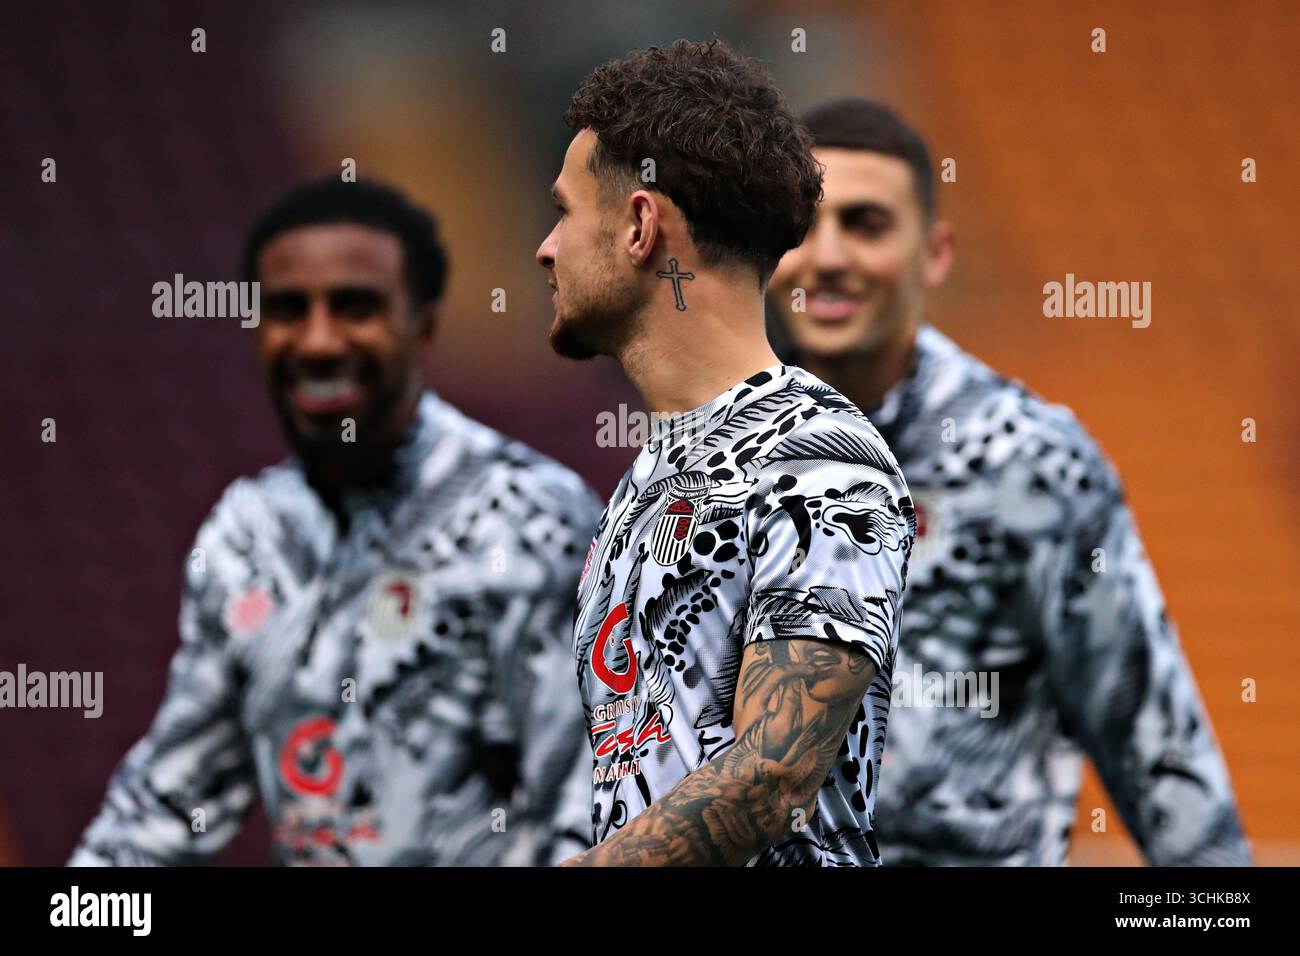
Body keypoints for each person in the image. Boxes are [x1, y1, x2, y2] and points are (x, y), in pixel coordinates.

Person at [766, 97, 1251, 865]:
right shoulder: (717, 452)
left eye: (866, 224)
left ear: (935, 252)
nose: (827, 257)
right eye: (801, 227)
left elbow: (1150, 730)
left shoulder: (1028, 459)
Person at [72, 178, 600, 866]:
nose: (318, 342)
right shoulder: (244, 535)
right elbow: (169, 806)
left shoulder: (531, 519)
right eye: (290, 310)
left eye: (355, 307)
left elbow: (591, 811)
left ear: (424, 324)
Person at [536, 41, 915, 866]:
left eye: (565, 213)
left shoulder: (820, 457)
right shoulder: (644, 482)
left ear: (640, 226)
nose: (546, 248)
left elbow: (773, 775)